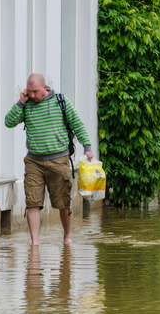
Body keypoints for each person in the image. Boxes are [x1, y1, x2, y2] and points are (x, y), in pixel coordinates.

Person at [5, 73, 94, 245]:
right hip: (33, 161)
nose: (32, 95)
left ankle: (67, 237)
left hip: (58, 159)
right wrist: (21, 102)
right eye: (29, 92)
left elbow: (77, 123)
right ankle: (35, 244)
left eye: (35, 92)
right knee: (32, 202)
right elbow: (8, 122)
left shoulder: (60, 101)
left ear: (45, 87)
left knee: (63, 203)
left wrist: (88, 147)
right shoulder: (26, 105)